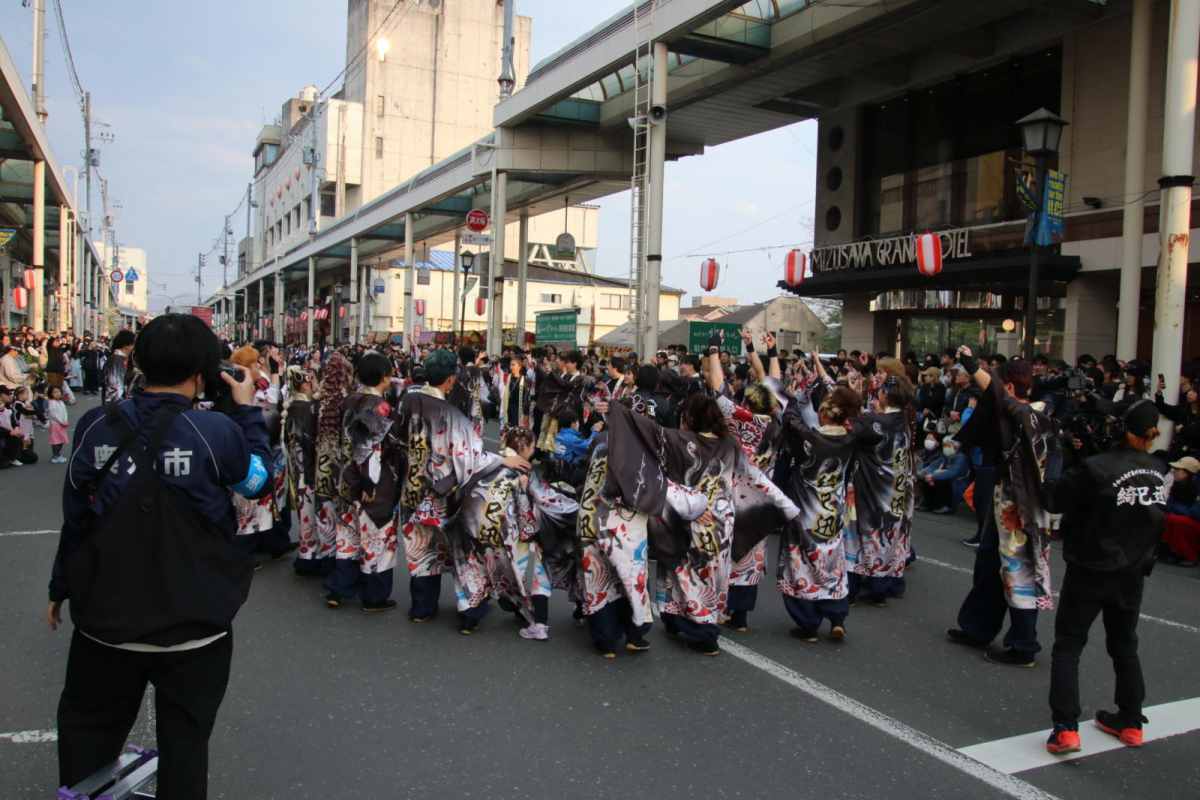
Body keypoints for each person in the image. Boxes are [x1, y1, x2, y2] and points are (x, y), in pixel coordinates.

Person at [47, 312, 271, 800]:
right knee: (185, 743)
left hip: (105, 621)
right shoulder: (215, 430)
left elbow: (76, 518)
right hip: (196, 624)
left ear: (140, 363)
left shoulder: (95, 425)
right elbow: (258, 481)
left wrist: (59, 587)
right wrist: (246, 409)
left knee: (89, 729)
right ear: (202, 371)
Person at [1043, 400, 1166, 754]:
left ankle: (1065, 728)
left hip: (1090, 568)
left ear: (1119, 429)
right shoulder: (1158, 469)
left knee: (1068, 646)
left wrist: (1055, 458)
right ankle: (1130, 719)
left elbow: (1054, 497)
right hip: (1131, 570)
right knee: (1125, 645)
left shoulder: (1096, 468)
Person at [395, 349, 528, 621]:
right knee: (461, 552)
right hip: (444, 493)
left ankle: (422, 608)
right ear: (450, 379)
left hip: (412, 488)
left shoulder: (405, 401)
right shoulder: (449, 412)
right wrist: (503, 460)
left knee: (421, 551)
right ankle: (470, 610)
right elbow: (471, 456)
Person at [948, 350, 1055, 667]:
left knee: (1018, 570)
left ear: (1008, 388)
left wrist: (971, 365)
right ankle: (977, 628)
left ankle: (1024, 645)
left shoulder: (1027, 414)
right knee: (989, 563)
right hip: (1007, 494)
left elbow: (996, 392)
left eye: (999, 386)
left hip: (1021, 505)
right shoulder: (1034, 412)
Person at [449, 426, 580, 637]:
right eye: (532, 446)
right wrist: (578, 509)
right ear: (525, 446)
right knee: (508, 570)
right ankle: (516, 607)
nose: (533, 451)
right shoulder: (523, 468)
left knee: (473, 567)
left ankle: (469, 618)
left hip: (471, 520)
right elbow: (546, 499)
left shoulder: (489, 459)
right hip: (504, 527)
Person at [777, 365, 862, 642]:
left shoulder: (810, 438)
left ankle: (808, 623)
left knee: (800, 561)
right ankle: (837, 617)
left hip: (805, 511)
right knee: (831, 561)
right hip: (832, 511)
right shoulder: (851, 437)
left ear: (824, 412)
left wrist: (795, 394)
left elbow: (791, 417)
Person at [327, 353, 403, 610]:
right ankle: (374, 595)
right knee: (376, 538)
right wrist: (368, 483)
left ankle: (338, 589)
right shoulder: (380, 405)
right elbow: (371, 447)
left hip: (345, 474)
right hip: (371, 480)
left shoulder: (350, 399)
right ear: (384, 377)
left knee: (347, 536)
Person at [844, 374, 915, 607]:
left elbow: (849, 426)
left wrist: (852, 399)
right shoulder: (901, 419)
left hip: (870, 487)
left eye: (878, 393)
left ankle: (851, 590)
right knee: (886, 537)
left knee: (856, 539)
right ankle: (880, 590)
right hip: (894, 490)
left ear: (885, 394)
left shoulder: (876, 423)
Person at [283, 366, 323, 578]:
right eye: (315, 381)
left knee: (306, 514)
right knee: (310, 515)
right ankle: (307, 559)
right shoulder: (306, 409)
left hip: (297, 468)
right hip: (306, 470)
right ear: (306, 384)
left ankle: (308, 556)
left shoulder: (292, 406)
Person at [102, 329, 136, 405]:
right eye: (134, 344)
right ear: (126, 345)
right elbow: (117, 388)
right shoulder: (119, 361)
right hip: (118, 407)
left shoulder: (113, 359)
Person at [47, 385, 70, 463]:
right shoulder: (52, 403)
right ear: (51, 394)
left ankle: (58, 454)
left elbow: (65, 412)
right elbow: (53, 415)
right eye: (54, 392)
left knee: (61, 440)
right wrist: (61, 422)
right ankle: (55, 455)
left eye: (58, 392)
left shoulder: (61, 402)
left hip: (62, 424)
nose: (57, 394)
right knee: (56, 440)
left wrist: (65, 420)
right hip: (55, 424)